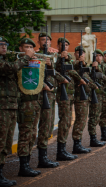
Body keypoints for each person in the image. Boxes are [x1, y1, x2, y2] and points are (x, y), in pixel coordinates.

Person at [0, 36, 34, 186]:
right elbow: (12, 68)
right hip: (2, 107)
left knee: (7, 142)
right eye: (0, 45)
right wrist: (26, 57)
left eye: (5, 44)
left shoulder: (8, 59)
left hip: (11, 105)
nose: (4, 47)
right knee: (1, 141)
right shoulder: (4, 63)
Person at [17, 38, 51, 177]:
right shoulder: (18, 60)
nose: (29, 49)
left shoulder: (33, 61)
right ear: (20, 48)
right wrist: (27, 57)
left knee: (32, 134)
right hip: (24, 103)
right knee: (25, 134)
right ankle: (23, 166)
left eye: (31, 47)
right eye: (26, 47)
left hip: (35, 102)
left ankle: (27, 164)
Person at [36, 33, 68, 168]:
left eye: (48, 40)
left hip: (51, 95)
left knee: (48, 126)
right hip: (39, 94)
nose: (45, 42)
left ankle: (45, 156)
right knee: (42, 126)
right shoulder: (35, 55)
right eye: (43, 40)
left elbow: (56, 72)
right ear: (38, 42)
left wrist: (52, 66)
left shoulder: (54, 57)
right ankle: (42, 158)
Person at [55, 38, 86, 161]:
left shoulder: (70, 59)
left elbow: (73, 67)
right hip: (63, 94)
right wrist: (60, 58)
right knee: (65, 121)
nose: (65, 47)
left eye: (67, 45)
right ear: (58, 46)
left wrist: (80, 62)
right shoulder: (55, 57)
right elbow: (55, 69)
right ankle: (60, 151)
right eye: (63, 45)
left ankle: (63, 149)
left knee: (68, 121)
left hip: (70, 94)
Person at [71, 46, 98, 154]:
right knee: (80, 120)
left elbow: (90, 77)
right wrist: (79, 63)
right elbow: (73, 70)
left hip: (86, 96)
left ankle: (78, 144)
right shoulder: (73, 64)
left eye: (82, 53)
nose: (80, 55)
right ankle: (76, 144)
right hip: (79, 96)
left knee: (83, 120)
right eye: (78, 53)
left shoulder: (85, 66)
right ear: (75, 54)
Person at [88, 49, 106, 147]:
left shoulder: (102, 67)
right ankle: (93, 138)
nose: (98, 57)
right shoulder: (91, 67)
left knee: (104, 114)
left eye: (100, 56)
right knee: (94, 117)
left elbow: (103, 75)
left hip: (102, 94)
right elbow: (101, 77)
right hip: (95, 94)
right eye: (96, 56)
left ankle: (103, 134)